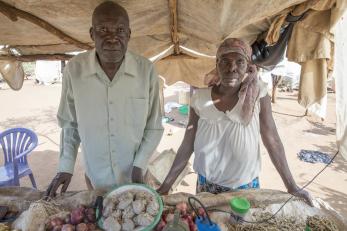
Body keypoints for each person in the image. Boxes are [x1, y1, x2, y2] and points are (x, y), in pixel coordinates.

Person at [157, 38, 313, 206]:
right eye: (225, 62)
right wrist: (165, 187)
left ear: (247, 65)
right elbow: (187, 144)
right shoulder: (199, 98)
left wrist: (292, 186)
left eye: (239, 62)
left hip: (245, 188)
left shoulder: (258, 93)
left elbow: (272, 139)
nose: (232, 68)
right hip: (206, 187)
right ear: (217, 64)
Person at [46, 1, 163, 197]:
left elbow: (154, 126)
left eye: (119, 30)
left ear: (129, 34)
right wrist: (65, 166)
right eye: (103, 29)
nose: (112, 38)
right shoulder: (74, 70)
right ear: (92, 34)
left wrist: (139, 165)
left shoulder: (146, 71)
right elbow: (70, 124)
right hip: (95, 180)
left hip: (136, 177)